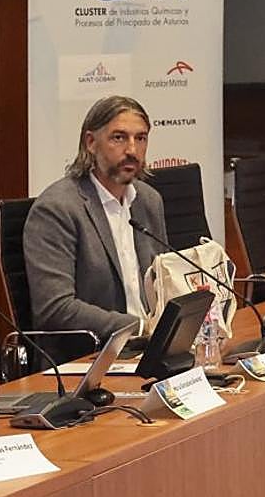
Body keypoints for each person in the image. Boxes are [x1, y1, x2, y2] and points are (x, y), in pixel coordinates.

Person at [23, 95, 168, 349]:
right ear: (91, 142)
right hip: (91, 355)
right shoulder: (58, 208)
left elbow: (162, 283)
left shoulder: (148, 200)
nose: (132, 150)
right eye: (119, 138)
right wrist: (140, 327)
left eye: (141, 138)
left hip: (149, 349)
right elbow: (55, 308)